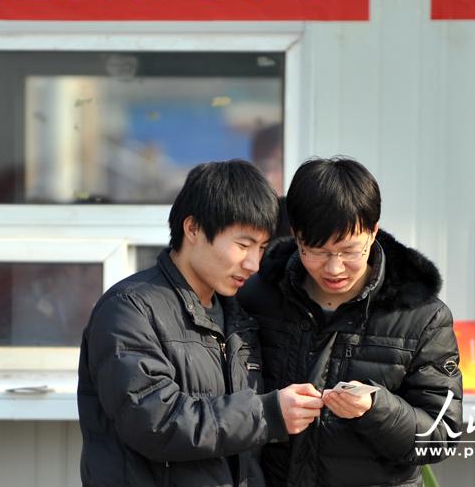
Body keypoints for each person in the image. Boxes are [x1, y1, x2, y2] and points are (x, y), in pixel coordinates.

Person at [78, 159, 325, 487]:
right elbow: (155, 423)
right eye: (243, 245)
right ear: (192, 228)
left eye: (262, 248)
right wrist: (268, 413)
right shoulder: (129, 309)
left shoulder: (239, 316)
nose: (253, 263)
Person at [239, 157, 463, 487]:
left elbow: (441, 433)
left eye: (349, 251)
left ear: (373, 232)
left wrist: (375, 408)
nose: (334, 268)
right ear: (296, 236)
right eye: (316, 251)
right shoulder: (258, 296)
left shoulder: (423, 317)